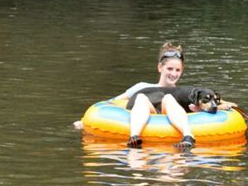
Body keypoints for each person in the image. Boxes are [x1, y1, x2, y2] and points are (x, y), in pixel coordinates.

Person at [73, 42, 237, 149]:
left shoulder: (184, 95)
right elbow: (112, 102)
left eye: (178, 70)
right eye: (170, 69)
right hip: (146, 109)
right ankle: (134, 136)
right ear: (160, 68)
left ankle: (188, 136)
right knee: (143, 98)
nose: (173, 74)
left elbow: (202, 105)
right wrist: (85, 120)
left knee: (168, 98)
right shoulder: (142, 87)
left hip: (169, 115)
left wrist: (218, 105)